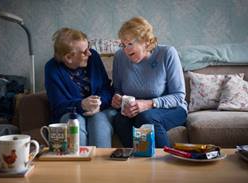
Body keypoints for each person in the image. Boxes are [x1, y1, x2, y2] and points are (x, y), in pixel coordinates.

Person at [111, 17, 188, 148]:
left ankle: (165, 164)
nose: (126, 50)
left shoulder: (167, 53)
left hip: (172, 109)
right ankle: (137, 163)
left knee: (146, 118)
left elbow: (179, 96)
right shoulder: (119, 57)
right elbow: (117, 90)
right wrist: (117, 99)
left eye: (130, 44)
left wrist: (149, 104)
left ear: (146, 42)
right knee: (120, 120)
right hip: (136, 110)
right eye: (123, 45)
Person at [45, 28, 116, 147]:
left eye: (88, 48)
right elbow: (57, 106)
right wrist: (81, 105)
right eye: (84, 52)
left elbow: (106, 88)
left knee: (98, 123)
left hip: (100, 111)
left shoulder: (93, 58)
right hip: (70, 113)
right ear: (68, 57)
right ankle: (78, 164)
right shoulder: (52, 69)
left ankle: (101, 165)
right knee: (75, 124)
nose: (89, 53)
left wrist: (99, 103)